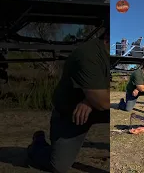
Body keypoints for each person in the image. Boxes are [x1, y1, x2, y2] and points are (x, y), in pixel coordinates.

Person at [27, 29, 110, 173]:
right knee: (58, 166)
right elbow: (102, 102)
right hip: (72, 112)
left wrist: (89, 101)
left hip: (92, 105)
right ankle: (38, 143)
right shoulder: (88, 54)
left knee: (127, 110)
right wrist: (94, 99)